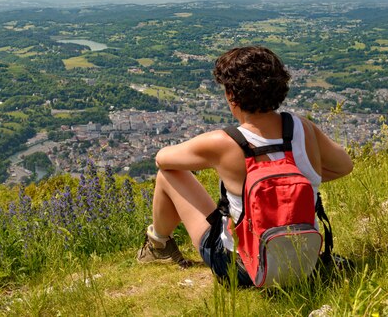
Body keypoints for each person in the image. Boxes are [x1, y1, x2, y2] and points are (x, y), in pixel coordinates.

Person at [136, 46, 354, 286]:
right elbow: (344, 166)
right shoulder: (302, 128)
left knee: (168, 175)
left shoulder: (224, 142)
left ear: (233, 96)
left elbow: (162, 159)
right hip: (304, 263)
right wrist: (295, 181)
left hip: (241, 269)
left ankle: (159, 244)